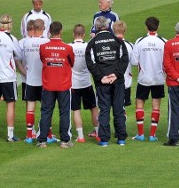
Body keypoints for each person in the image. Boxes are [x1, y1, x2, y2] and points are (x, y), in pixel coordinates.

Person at [86, 16, 129, 146]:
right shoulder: (117, 40)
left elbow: (90, 63)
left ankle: (104, 140)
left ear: (96, 27)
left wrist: (101, 77)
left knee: (104, 110)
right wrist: (116, 75)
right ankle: (121, 139)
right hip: (118, 81)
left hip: (102, 82)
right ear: (108, 26)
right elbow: (124, 59)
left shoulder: (92, 43)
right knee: (119, 109)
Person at [36, 21, 75, 148]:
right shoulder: (68, 48)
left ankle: (42, 140)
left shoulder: (43, 47)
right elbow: (72, 63)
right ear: (61, 31)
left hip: (48, 84)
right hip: (63, 85)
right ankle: (64, 140)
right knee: (64, 112)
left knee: (46, 112)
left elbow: (43, 60)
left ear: (49, 31)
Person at [0, 14, 25, 142]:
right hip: (8, 76)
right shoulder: (11, 38)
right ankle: (10, 135)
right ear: (10, 24)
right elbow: (19, 55)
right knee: (10, 104)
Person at [131, 16, 165, 142]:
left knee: (140, 104)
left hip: (144, 77)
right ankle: (152, 135)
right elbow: (167, 62)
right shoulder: (163, 41)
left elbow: (134, 61)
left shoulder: (140, 41)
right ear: (158, 26)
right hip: (158, 78)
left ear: (146, 26)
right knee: (156, 105)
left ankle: (140, 134)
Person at [20, 19, 50, 143]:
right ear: (43, 28)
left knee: (30, 108)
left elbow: (22, 59)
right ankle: (47, 134)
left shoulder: (26, 42)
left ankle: (29, 135)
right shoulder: (47, 42)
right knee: (45, 108)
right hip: (44, 80)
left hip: (30, 79)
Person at [70, 23, 100, 142]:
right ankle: (98, 133)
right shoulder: (88, 46)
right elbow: (93, 63)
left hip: (73, 85)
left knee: (76, 110)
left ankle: (80, 137)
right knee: (93, 108)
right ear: (83, 34)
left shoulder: (69, 47)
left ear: (73, 34)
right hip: (86, 83)